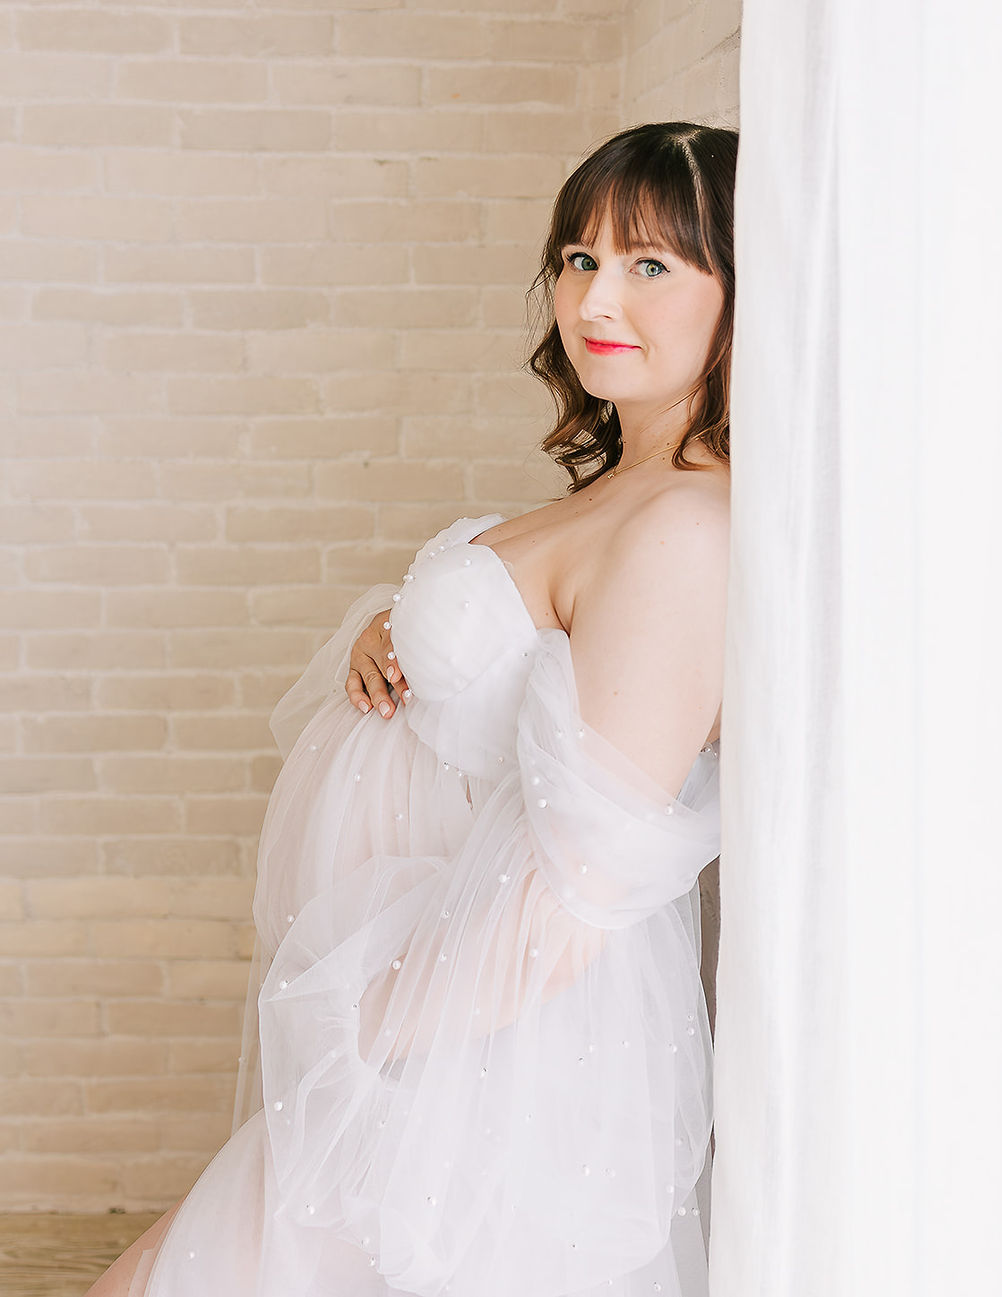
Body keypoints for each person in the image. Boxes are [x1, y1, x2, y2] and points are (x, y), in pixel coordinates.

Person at [85, 119, 737, 1297]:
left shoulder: (686, 528)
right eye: (579, 256)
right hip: (429, 1032)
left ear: (740, 294)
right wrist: (401, 642)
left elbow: (580, 891)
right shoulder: (623, 490)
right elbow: (533, 698)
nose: (597, 294)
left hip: (476, 1063)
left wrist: (360, 1024)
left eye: (651, 264)